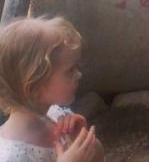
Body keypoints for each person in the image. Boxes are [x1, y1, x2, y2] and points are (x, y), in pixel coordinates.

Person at [0, 16, 104, 161]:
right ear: (34, 88)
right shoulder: (11, 156)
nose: (79, 74)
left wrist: (84, 141)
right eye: (70, 70)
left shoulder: (58, 115)